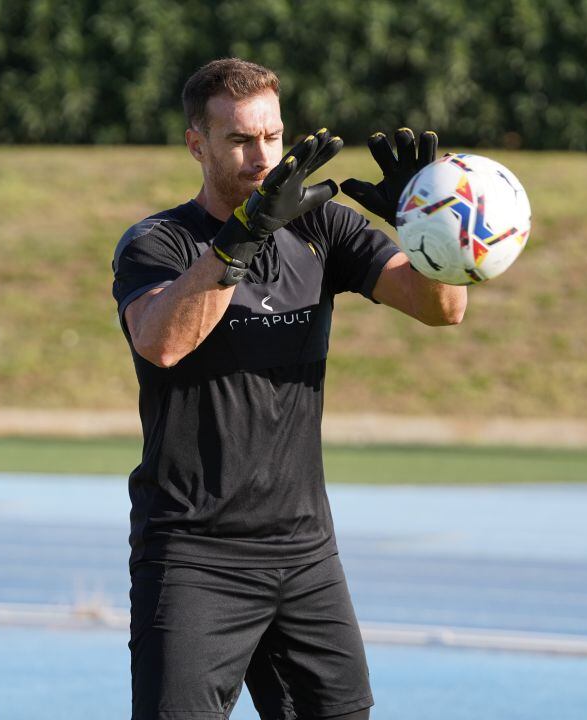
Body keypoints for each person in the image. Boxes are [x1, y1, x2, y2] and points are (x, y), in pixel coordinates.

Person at [111, 57, 466, 720]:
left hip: (305, 552)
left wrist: (425, 229)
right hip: (194, 554)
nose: (262, 155)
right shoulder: (157, 243)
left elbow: (441, 309)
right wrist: (241, 235)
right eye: (240, 139)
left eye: (271, 137)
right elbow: (162, 342)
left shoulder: (320, 227)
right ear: (198, 144)